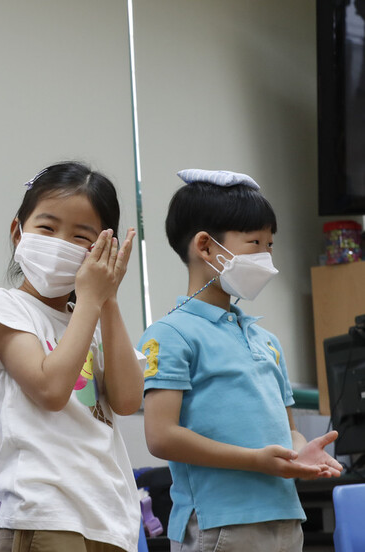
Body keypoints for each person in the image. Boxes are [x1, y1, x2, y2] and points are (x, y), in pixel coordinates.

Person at [139, 169, 343, 552]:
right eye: (255, 243)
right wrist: (257, 461)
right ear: (205, 246)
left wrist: (300, 451)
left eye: (270, 244)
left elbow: (287, 430)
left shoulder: (266, 340)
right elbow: (161, 436)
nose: (266, 257)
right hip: (221, 524)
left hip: (285, 519)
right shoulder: (171, 334)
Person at [0, 161, 144, 552]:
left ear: (104, 249)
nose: (60, 243)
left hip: (111, 518)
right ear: (18, 232)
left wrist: (108, 298)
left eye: (82, 237)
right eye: (47, 228)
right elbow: (50, 389)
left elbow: (128, 400)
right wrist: (90, 304)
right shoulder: (2, 305)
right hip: (45, 514)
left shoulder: (95, 318)